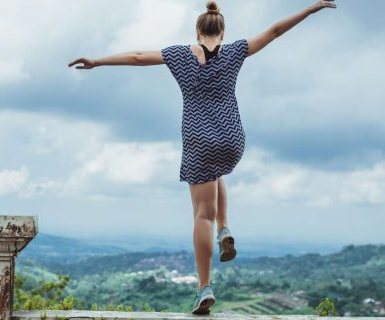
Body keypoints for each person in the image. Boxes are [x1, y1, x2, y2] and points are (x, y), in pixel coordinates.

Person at [68, 0, 336, 315]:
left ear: (197, 32)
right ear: (222, 32)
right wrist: (309, 10)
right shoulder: (236, 51)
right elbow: (275, 31)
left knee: (200, 215)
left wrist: (98, 61)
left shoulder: (180, 55)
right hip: (232, 138)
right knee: (218, 171)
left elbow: (139, 57)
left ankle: (204, 286)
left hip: (199, 140)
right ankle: (225, 228)